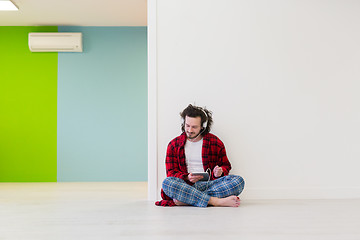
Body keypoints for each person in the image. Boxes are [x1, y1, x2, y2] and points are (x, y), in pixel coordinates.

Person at [155, 104, 245, 208]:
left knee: (238, 181)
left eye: (194, 127)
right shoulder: (173, 145)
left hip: (209, 184)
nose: (189, 130)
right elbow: (171, 173)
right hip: (185, 185)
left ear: (203, 126)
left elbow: (226, 165)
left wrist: (219, 171)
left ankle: (185, 200)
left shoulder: (215, 142)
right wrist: (187, 177)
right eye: (187, 125)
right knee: (168, 183)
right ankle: (215, 201)